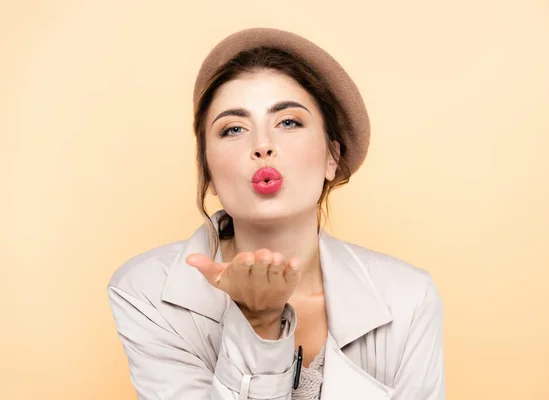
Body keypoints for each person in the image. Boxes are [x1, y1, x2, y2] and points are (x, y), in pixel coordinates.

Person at [108, 28, 445, 400]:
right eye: (233, 129)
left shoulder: (409, 298)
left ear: (332, 157)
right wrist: (259, 322)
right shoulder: (145, 292)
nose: (262, 145)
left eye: (288, 122)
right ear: (209, 172)